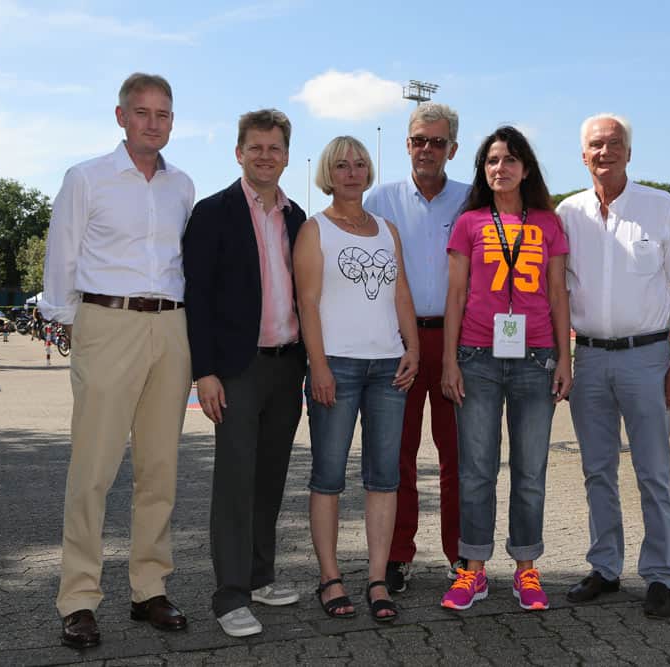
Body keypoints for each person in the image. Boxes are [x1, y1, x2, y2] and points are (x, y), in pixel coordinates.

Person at [40, 72, 196, 649]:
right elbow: (63, 251)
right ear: (120, 116)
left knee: (160, 469)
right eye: (142, 112)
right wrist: (68, 322)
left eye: (163, 114)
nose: (152, 122)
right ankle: (78, 597)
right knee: (94, 470)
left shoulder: (183, 186)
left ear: (172, 121)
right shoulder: (86, 178)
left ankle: (148, 588)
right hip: (107, 321)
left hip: (172, 325)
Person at [559, 113, 670, 619]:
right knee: (596, 470)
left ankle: (661, 575)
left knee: (653, 472)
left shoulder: (661, 207)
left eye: (615, 143)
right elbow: (557, 295)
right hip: (591, 360)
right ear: (583, 156)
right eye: (596, 146)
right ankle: (605, 567)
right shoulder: (567, 214)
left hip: (648, 359)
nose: (606, 152)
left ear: (629, 151)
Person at [182, 109, 306, 638]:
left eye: (274, 148)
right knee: (235, 481)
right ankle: (229, 595)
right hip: (237, 369)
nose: (265, 156)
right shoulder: (214, 213)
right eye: (255, 148)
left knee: (271, 478)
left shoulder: (299, 218)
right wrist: (204, 372)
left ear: (285, 155)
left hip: (287, 367)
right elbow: (197, 298)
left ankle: (259, 577)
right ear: (238, 153)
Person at [440, 126, 571, 612]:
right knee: (476, 469)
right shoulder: (469, 222)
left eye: (511, 159)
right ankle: (471, 571)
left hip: (536, 359)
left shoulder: (549, 224)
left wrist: (565, 360)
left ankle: (526, 569)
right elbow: (455, 295)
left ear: (527, 168)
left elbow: (559, 294)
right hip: (476, 358)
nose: (501, 168)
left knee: (530, 470)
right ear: (483, 169)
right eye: (493, 160)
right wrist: (449, 360)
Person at [293, 136, 419, 623]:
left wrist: (412, 348)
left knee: (383, 478)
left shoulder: (387, 229)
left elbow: (401, 293)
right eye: (342, 165)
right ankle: (330, 576)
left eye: (360, 164)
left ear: (369, 172)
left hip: (389, 368)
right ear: (328, 173)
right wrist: (318, 365)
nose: (352, 172)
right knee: (328, 478)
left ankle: (376, 577)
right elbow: (308, 303)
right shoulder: (315, 230)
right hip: (337, 367)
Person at [364, 102, 470, 592]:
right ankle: (397, 556)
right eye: (418, 140)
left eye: (437, 141)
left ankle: (461, 555)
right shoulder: (378, 201)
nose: (426, 149)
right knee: (397, 454)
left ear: (453, 147)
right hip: (398, 343)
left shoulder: (473, 202)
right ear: (407, 145)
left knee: (459, 456)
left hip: (456, 343)